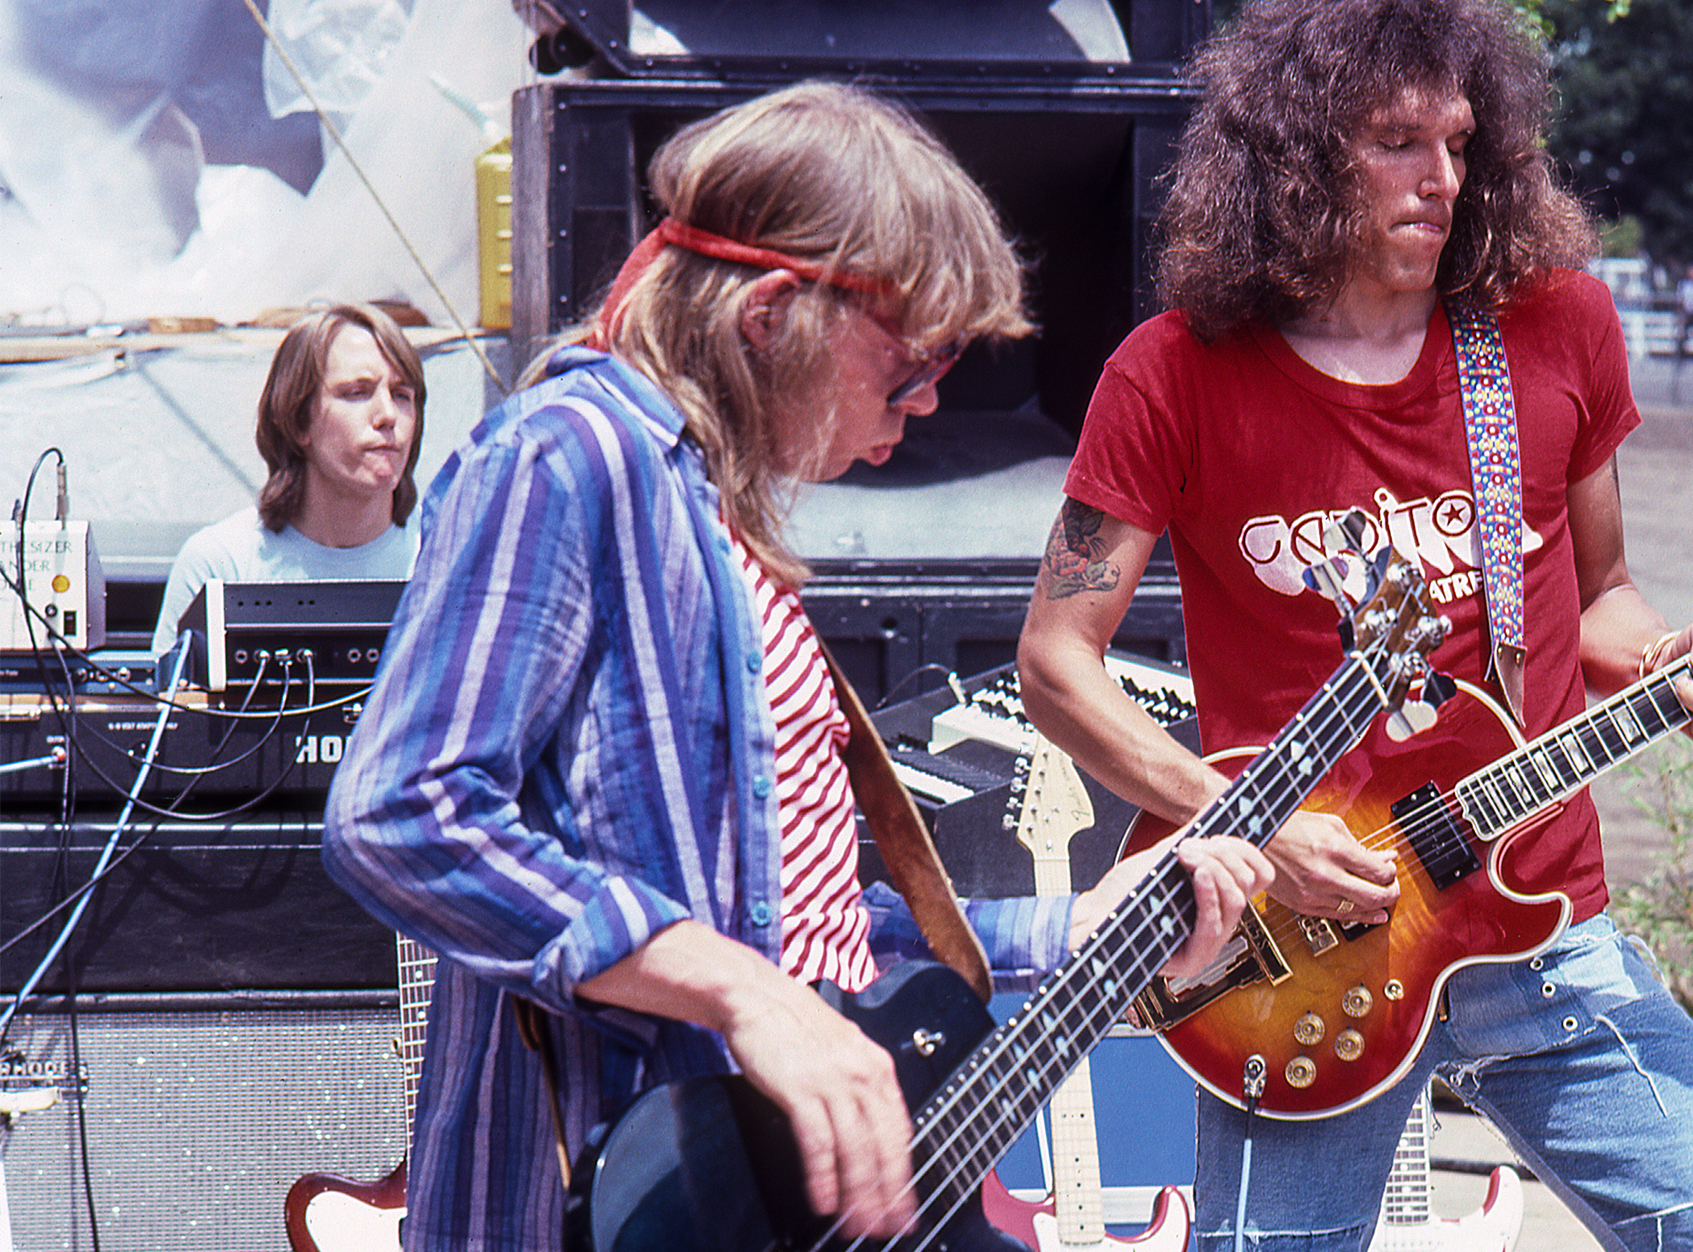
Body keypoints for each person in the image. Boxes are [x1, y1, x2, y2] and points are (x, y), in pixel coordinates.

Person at [319, 81, 1272, 1252]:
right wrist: (740, 991)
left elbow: (801, 929)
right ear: (770, 313)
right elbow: (398, 814)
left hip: (780, 1187)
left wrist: (1070, 924)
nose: (924, 405)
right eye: (911, 362)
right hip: (648, 1193)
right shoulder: (566, 456)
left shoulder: (714, 518)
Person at [1015, 0, 1693, 1251]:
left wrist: (1674, 663)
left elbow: (1600, 597)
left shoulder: (1555, 329)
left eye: (1456, 143)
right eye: (1394, 142)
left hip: (1543, 929)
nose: (1437, 176)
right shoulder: (1170, 372)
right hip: (1304, 954)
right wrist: (1244, 826)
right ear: (1292, 158)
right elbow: (1057, 660)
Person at [149, 301, 425, 656]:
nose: (388, 415)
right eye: (357, 392)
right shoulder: (221, 565)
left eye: (402, 395)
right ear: (297, 421)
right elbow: (173, 709)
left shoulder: (448, 557)